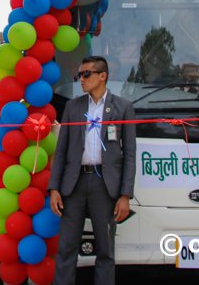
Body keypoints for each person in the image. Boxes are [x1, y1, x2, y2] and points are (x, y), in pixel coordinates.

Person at [48, 55, 137, 285]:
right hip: (74, 184)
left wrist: (125, 195)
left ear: (102, 76)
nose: (81, 79)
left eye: (86, 74)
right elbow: (62, 151)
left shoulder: (123, 108)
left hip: (104, 185)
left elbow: (130, 154)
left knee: (105, 250)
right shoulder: (72, 106)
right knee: (66, 247)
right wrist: (54, 188)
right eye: (79, 75)